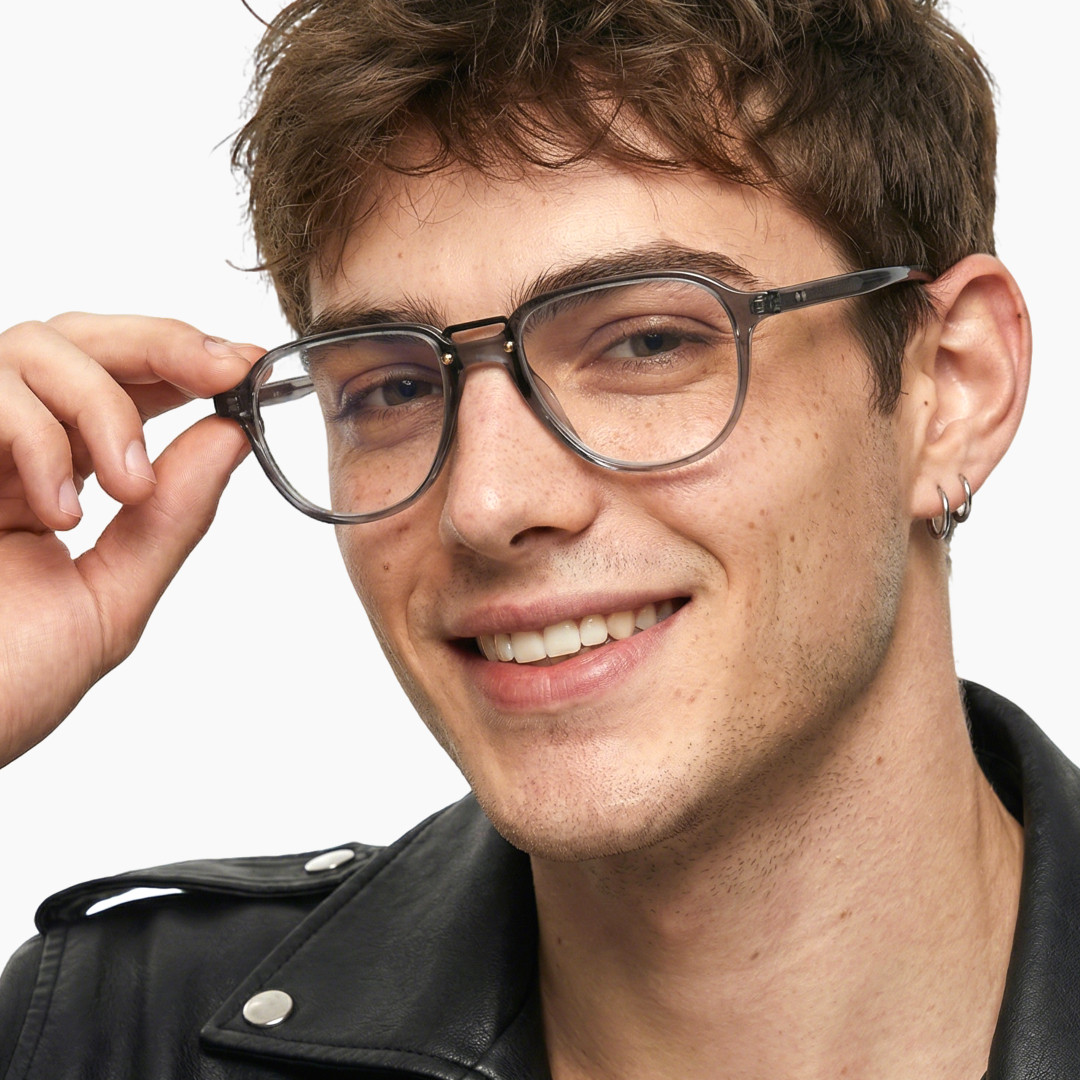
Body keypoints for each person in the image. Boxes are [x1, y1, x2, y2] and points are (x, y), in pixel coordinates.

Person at [0, 1, 1075, 1078]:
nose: (487, 501)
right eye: (394, 387)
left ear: (951, 390)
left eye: (648, 341)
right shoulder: (112, 1032)